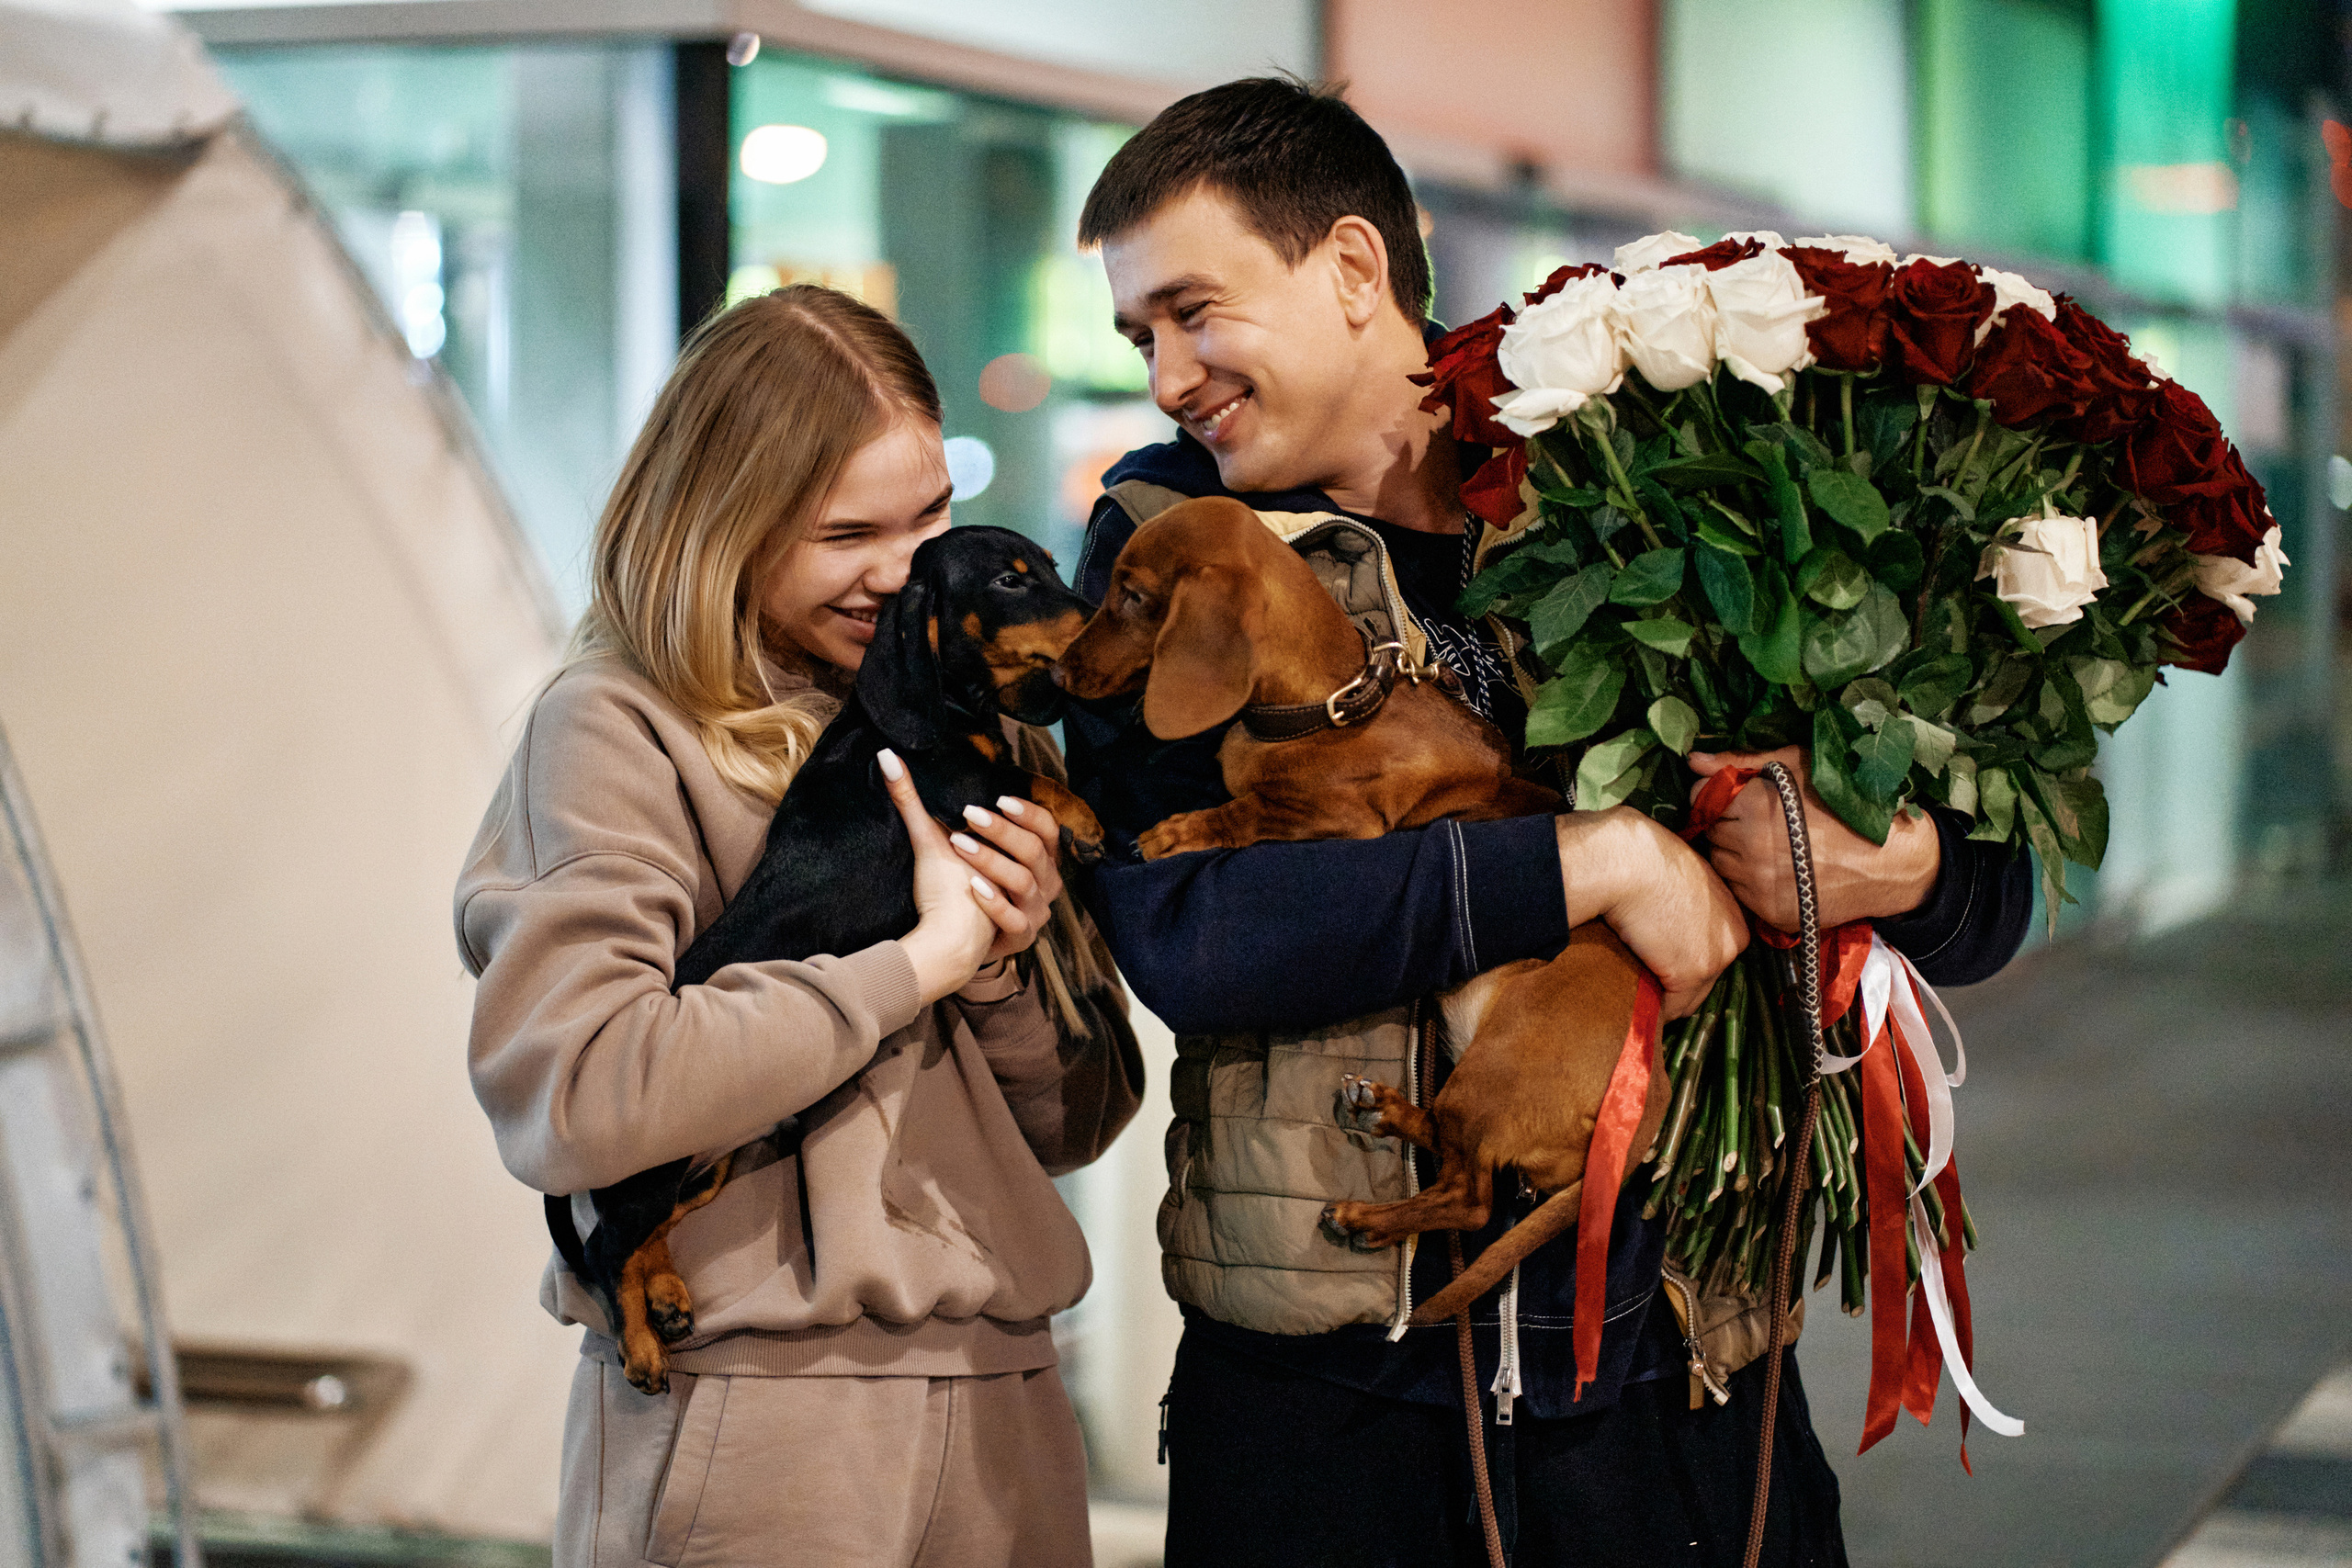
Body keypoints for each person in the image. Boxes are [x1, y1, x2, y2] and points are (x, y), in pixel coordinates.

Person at [1062, 78, 2032, 1567]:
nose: (1170, 374)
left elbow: (1988, 895)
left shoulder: (1641, 481)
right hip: (1330, 1405)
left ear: (1352, 269)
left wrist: (1905, 865)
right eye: (1141, 337)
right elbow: (1186, 937)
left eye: (1195, 311)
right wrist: (1584, 859)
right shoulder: (1169, 547)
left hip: (1684, 1389)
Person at [456, 287, 1138, 1568]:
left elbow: (1073, 1126)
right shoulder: (616, 731)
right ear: (724, 529)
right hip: (753, 1414)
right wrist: (911, 965)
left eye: (931, 513)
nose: (904, 569)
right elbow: (580, 1096)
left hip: (1006, 1401)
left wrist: (998, 970)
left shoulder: (982, 724)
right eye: (845, 533)